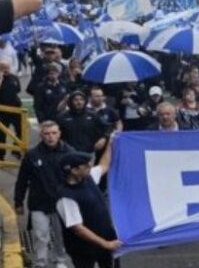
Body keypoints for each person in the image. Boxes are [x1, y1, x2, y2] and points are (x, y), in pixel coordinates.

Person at [14, 121, 74, 268]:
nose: (50, 137)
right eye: (46, 134)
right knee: (40, 235)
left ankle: (60, 260)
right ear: (41, 135)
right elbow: (22, 180)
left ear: (59, 134)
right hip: (38, 202)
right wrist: (18, 201)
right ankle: (40, 262)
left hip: (62, 203)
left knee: (61, 235)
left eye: (54, 133)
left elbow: (78, 179)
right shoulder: (32, 155)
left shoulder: (70, 152)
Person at [55, 141, 121, 268]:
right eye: (85, 166)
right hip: (83, 249)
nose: (90, 167)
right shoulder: (66, 198)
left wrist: (111, 142)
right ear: (74, 170)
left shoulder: (88, 177)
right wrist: (105, 244)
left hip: (105, 242)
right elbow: (78, 229)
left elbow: (104, 165)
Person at [0, 60, 22, 160]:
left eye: (7, 68)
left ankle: (16, 150)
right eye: (3, 68)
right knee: (1, 134)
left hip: (16, 108)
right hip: (2, 110)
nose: (6, 70)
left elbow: (18, 89)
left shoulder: (14, 77)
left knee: (20, 130)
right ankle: (1, 154)